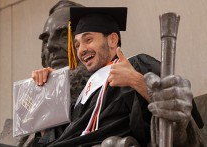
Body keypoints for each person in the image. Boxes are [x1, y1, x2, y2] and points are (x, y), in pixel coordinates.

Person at [32, 7, 204, 147]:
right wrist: (48, 90)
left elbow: (177, 121)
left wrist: (137, 81)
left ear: (113, 40)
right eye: (77, 45)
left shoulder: (139, 65)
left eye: (88, 39)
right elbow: (61, 137)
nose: (81, 50)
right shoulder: (83, 93)